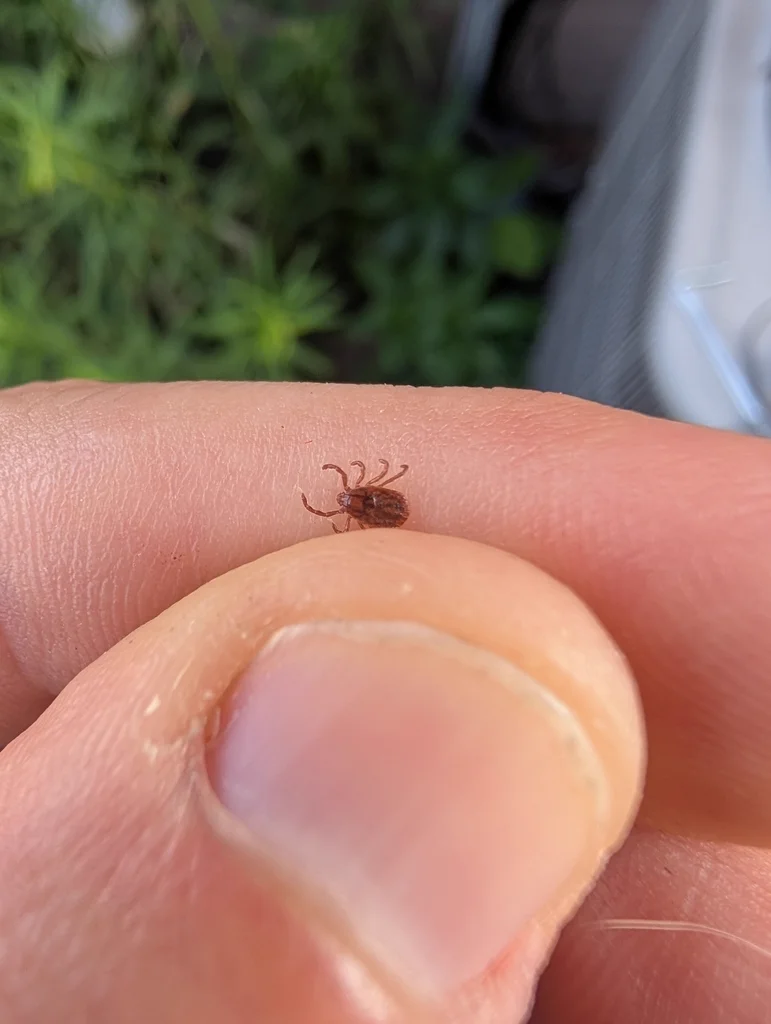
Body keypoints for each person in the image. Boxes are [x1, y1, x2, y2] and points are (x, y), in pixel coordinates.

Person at [0, 379, 768, 1024]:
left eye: (353, 494)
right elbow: (389, 498)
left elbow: (382, 501)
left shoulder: (366, 505)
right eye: (354, 497)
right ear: (361, 505)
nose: (352, 498)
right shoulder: (373, 502)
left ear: (359, 500)